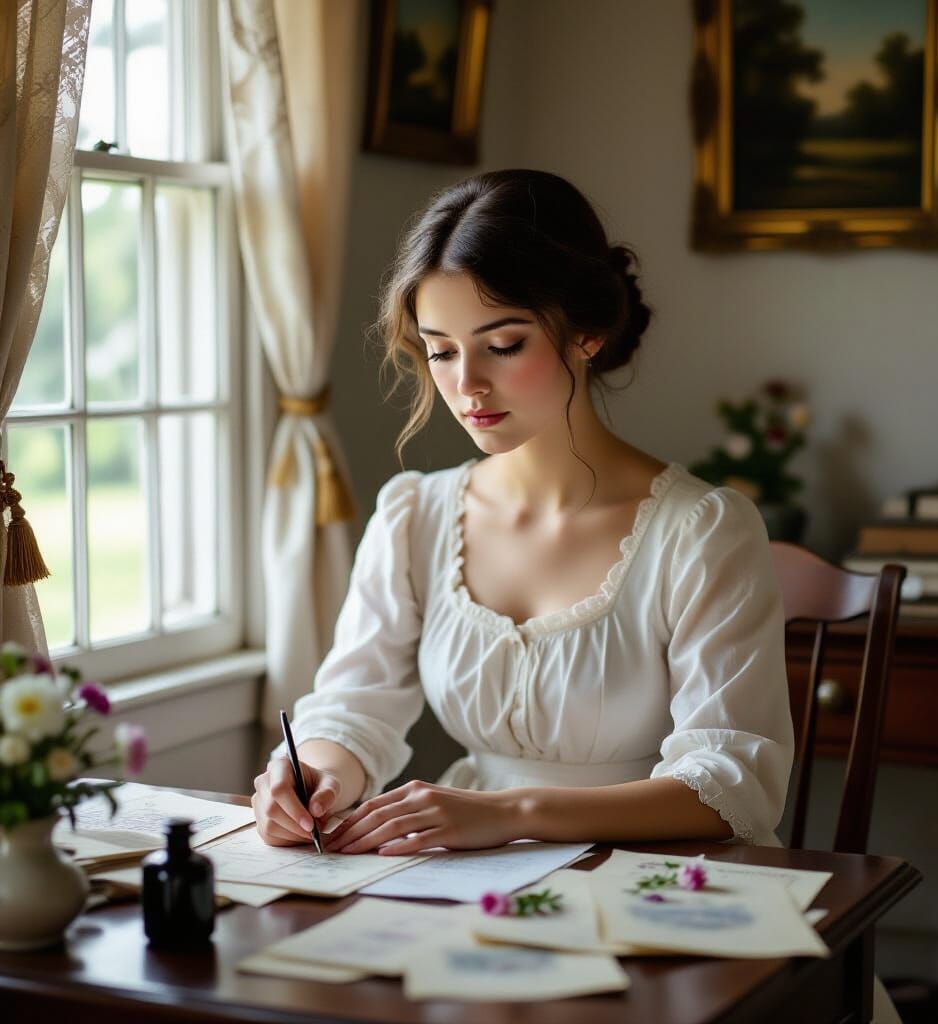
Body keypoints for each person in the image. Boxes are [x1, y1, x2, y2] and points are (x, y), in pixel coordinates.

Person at [251, 168, 794, 856]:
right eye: (441, 351)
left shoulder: (704, 531)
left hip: (662, 873)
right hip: (471, 868)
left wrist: (515, 813)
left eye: (503, 345)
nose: (467, 384)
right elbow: (355, 706)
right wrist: (314, 774)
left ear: (587, 331)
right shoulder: (415, 515)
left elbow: (733, 781)